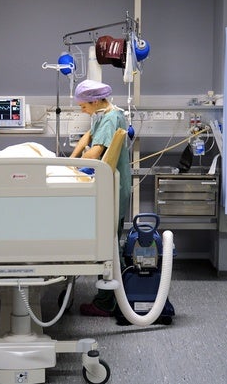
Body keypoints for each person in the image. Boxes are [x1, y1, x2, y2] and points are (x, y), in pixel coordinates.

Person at [69, 79, 131, 317]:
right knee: (110, 241)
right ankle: (118, 294)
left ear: (95, 101)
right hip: (111, 185)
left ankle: (108, 302)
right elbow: (88, 136)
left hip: (114, 187)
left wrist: (73, 167)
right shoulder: (103, 114)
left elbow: (96, 151)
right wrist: (70, 160)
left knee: (109, 245)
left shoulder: (112, 118)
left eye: (83, 106)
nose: (81, 110)